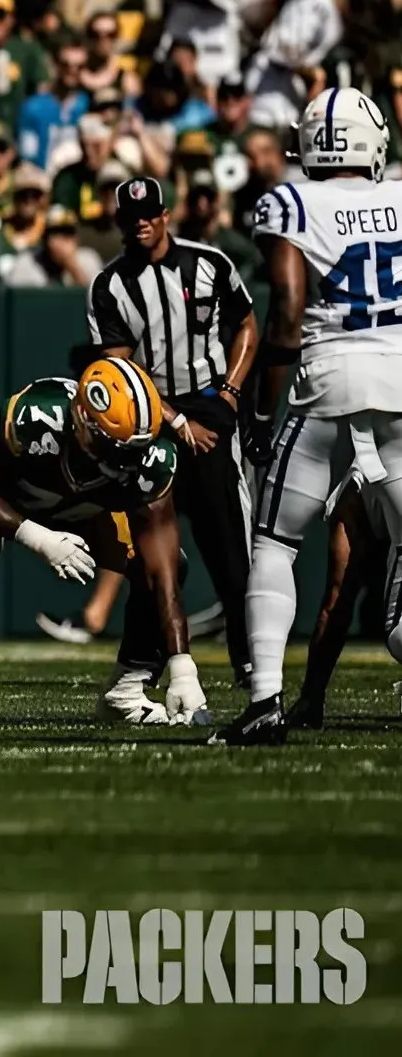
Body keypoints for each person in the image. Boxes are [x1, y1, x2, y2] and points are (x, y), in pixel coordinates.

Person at [225, 89, 402, 744]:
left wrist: (264, 409)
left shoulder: (291, 200)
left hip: (329, 376)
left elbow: (289, 309)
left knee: (274, 541)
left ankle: (265, 700)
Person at [0, 357, 208, 729]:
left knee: (168, 563)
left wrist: (182, 665)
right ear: (80, 418)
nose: (122, 461)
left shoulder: (151, 461)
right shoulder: (37, 417)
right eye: (111, 445)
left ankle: (126, 691)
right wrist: (36, 536)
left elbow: (164, 571)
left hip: (80, 506)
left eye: (132, 450)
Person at [54, 180, 257, 677]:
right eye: (130, 216)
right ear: (119, 222)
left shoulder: (209, 263)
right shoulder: (108, 286)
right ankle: (144, 669)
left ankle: (251, 663)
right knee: (150, 552)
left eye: (148, 213)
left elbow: (248, 322)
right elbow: (121, 372)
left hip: (210, 408)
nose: (141, 222)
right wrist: (176, 420)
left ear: (166, 214)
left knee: (233, 553)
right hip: (148, 421)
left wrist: (230, 392)